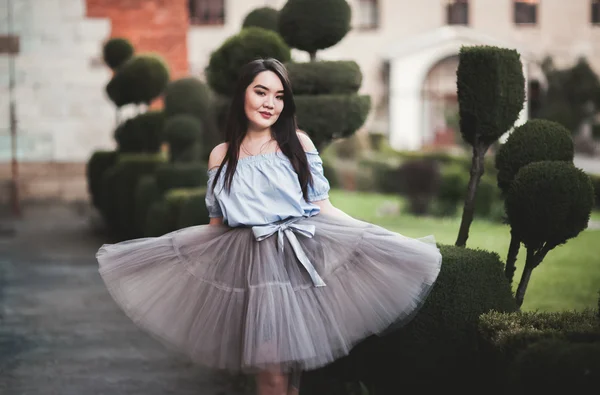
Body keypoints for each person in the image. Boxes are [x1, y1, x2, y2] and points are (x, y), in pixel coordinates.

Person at [96, 58, 442, 395]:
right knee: (272, 378)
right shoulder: (221, 155)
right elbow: (217, 227)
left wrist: (384, 239)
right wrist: (165, 252)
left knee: (290, 380)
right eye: (261, 92)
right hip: (252, 272)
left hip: (299, 267)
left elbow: (324, 208)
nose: (270, 104)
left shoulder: (297, 144)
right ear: (242, 94)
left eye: (279, 97)